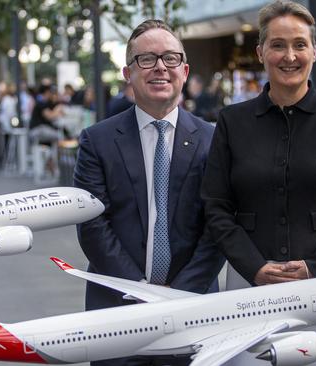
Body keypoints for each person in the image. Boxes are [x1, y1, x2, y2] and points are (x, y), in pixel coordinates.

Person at [201, 1, 316, 365]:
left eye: (299, 44)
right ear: (261, 52)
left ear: (315, 51)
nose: (289, 55)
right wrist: (253, 267)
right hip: (251, 285)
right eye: (278, 45)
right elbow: (216, 204)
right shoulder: (233, 122)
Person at [74, 19, 224, 366]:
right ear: (128, 73)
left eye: (170, 59)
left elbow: (219, 226)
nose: (160, 67)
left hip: (194, 307)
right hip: (116, 308)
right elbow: (93, 227)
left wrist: (178, 295)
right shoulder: (96, 141)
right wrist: (141, 292)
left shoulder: (213, 140)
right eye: (147, 59)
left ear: (184, 70)